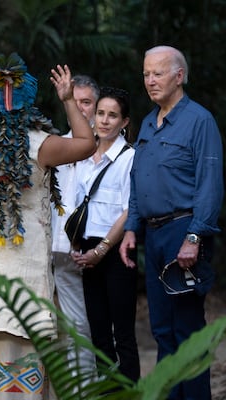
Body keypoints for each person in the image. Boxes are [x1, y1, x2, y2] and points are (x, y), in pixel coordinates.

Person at [0, 53, 96, 399]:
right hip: (22, 287)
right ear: (27, 105)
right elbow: (87, 143)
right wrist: (69, 101)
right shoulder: (39, 145)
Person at [119, 45, 224, 399]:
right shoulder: (148, 122)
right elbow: (138, 181)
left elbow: (210, 184)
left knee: (188, 332)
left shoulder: (199, 120)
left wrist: (195, 236)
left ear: (179, 76)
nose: (150, 81)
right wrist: (132, 226)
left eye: (158, 73)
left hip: (185, 230)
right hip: (154, 233)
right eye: (146, 74)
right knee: (162, 329)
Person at [70, 86, 139, 383]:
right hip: (87, 248)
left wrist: (102, 249)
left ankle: (129, 391)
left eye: (113, 116)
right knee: (98, 331)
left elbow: (128, 209)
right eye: (100, 113)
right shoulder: (82, 154)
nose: (105, 121)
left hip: (116, 249)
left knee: (122, 331)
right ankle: (107, 391)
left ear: (124, 122)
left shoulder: (130, 157)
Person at [50, 74, 99, 379]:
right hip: (60, 251)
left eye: (86, 102)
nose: (81, 109)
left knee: (95, 324)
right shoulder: (57, 146)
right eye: (74, 101)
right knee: (71, 325)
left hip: (97, 250)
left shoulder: (110, 147)